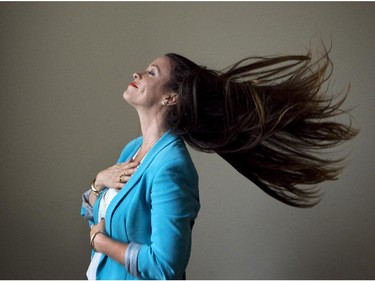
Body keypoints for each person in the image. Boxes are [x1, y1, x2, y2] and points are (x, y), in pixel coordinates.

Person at [81, 46, 358, 280]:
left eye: (151, 72)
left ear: (171, 97)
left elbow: (164, 266)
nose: (137, 74)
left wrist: (101, 243)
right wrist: (98, 182)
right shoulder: (133, 149)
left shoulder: (171, 167)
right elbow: (97, 214)